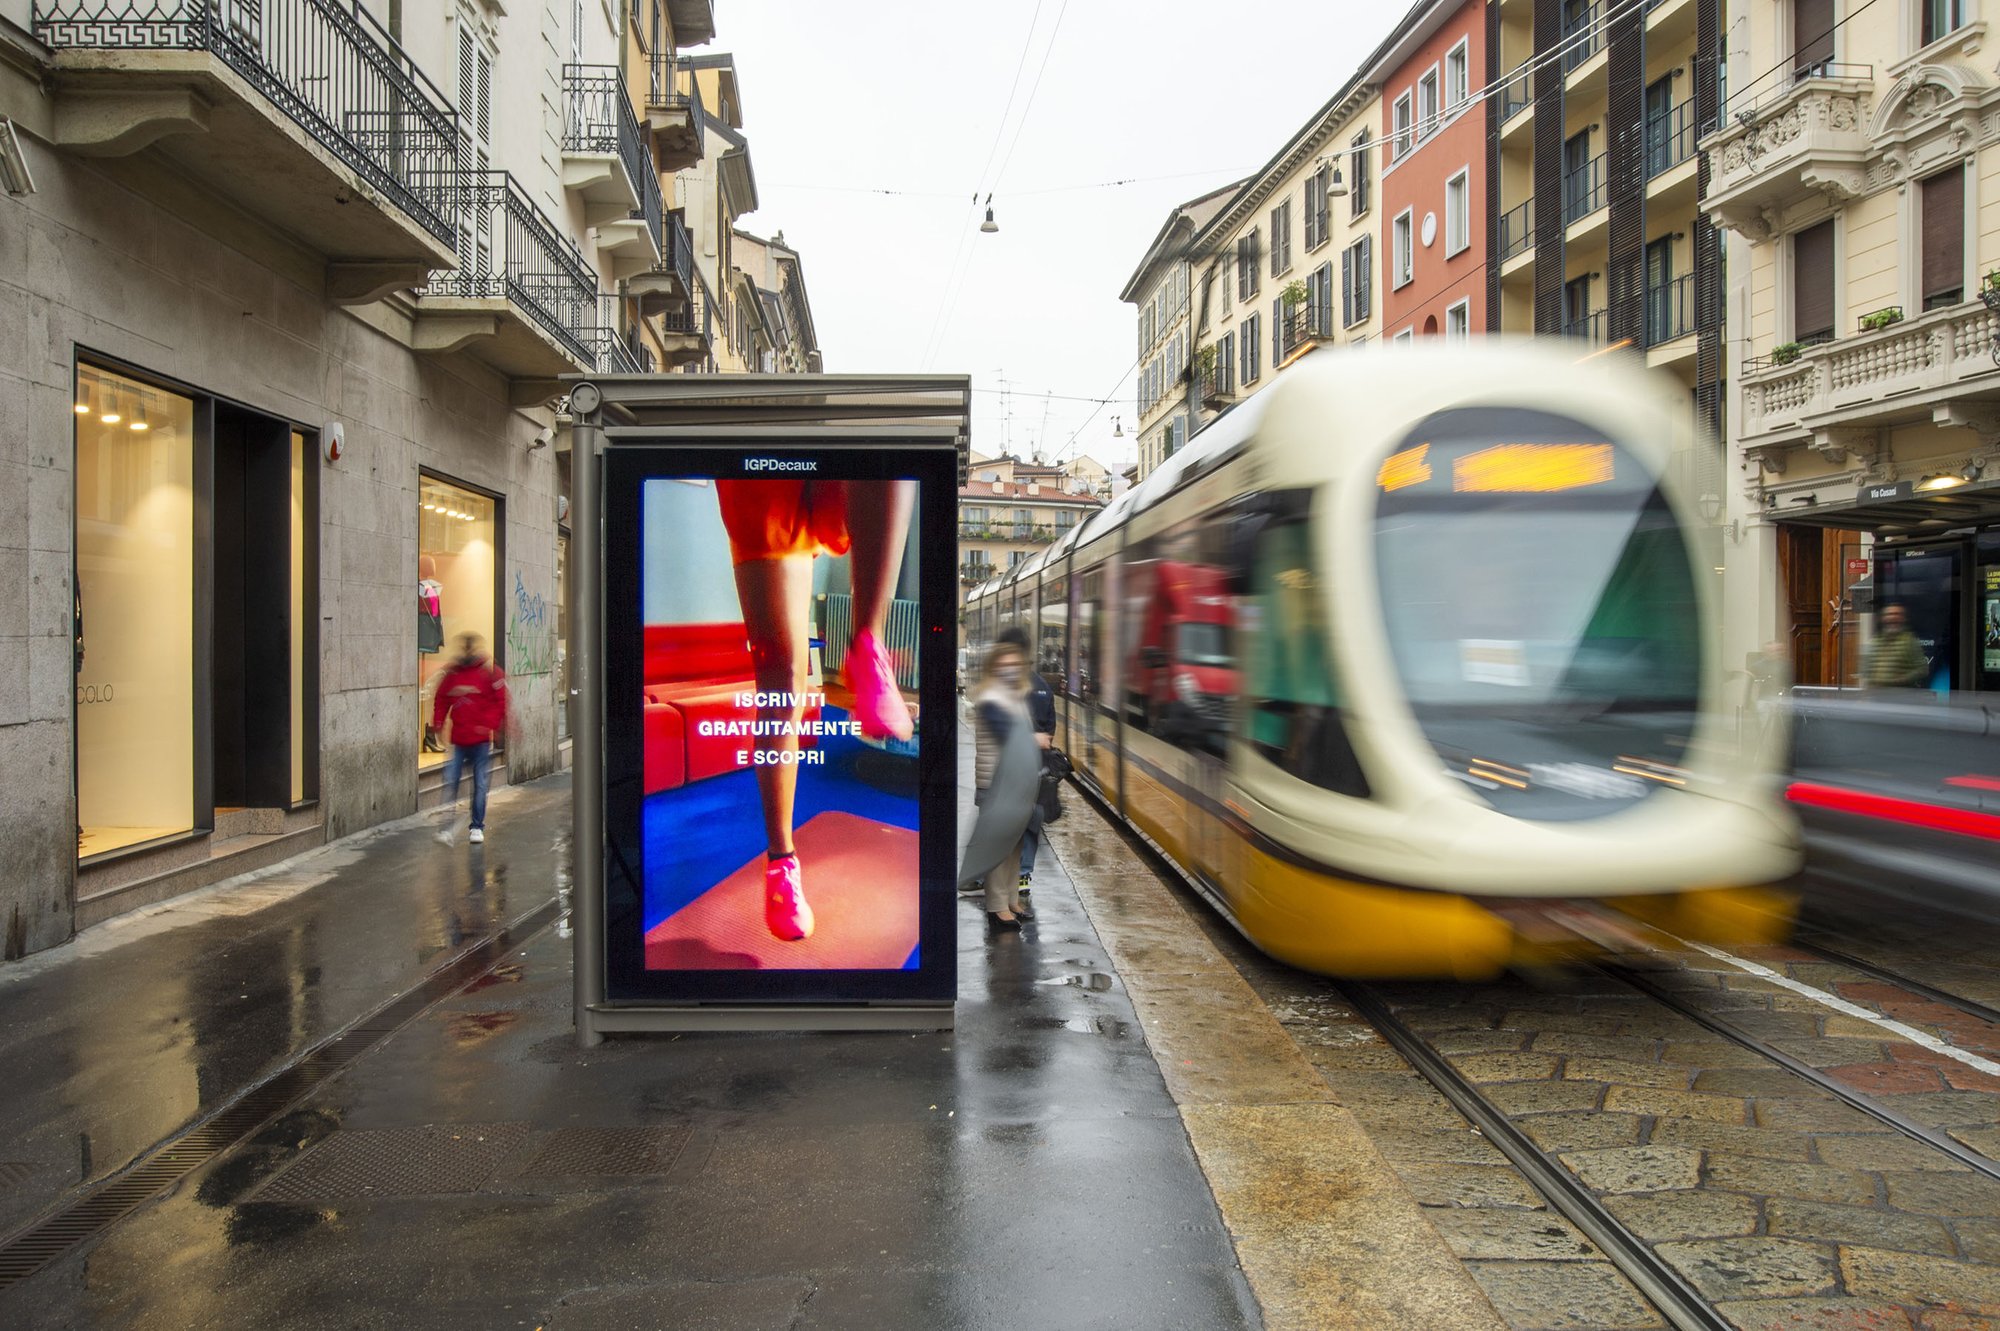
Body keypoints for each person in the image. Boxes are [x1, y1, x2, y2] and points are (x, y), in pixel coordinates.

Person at [714, 478, 916, 942]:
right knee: (780, 681)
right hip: (764, 465)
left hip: (801, 447)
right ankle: (782, 862)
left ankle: (868, 646)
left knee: (885, 459)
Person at [960, 641, 1038, 930]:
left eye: (1015, 665)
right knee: (998, 847)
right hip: (996, 782)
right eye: (1004, 665)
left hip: (1016, 782)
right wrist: (1035, 740)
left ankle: (1012, 900)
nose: (1010, 670)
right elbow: (1010, 735)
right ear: (994, 668)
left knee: (1015, 845)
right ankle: (997, 908)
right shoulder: (992, 698)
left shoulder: (1014, 696)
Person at [996, 625, 1054, 916]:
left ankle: (999, 881)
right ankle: (1024, 876)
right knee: (1031, 823)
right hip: (1038, 769)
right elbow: (1050, 729)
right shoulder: (1044, 686)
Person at [432, 634, 508, 846]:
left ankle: (476, 826)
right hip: (459, 740)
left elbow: (499, 702)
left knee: (480, 785)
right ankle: (447, 829)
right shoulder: (453, 674)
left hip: (480, 741)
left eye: (469, 647)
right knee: (452, 782)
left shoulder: (487, 674)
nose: (466, 651)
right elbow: (442, 698)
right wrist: (439, 722)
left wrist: (488, 725)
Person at [1862, 602, 1929, 690]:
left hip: (1901, 696)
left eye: (1897, 614)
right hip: (1877, 696)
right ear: (1883, 618)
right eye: (1889, 614)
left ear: (1903, 618)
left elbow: (1922, 669)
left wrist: (1900, 680)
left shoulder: (1910, 641)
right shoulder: (1875, 641)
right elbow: (1866, 670)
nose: (1893, 617)